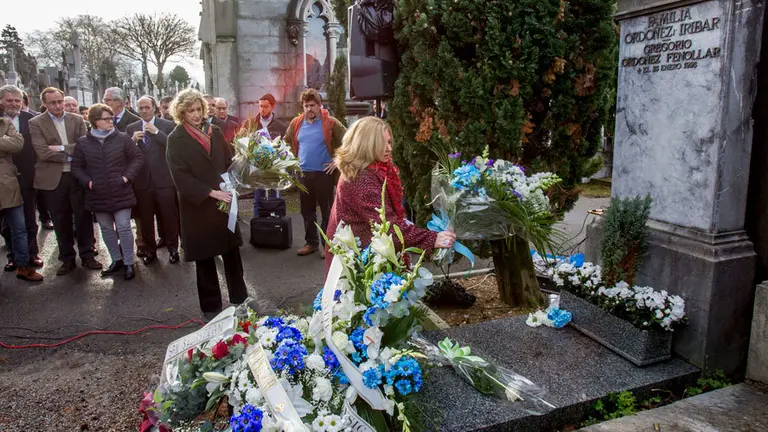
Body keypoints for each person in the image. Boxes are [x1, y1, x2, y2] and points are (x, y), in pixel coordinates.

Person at [324, 117, 455, 272]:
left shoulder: (371, 169)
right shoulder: (360, 178)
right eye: (382, 143)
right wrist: (432, 239)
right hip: (358, 265)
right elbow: (387, 228)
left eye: (389, 142)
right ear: (367, 144)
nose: (389, 148)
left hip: (366, 257)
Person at [166, 89, 248, 320]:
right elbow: (180, 176)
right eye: (190, 111)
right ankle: (211, 309)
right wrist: (210, 193)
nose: (195, 114)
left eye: (198, 109)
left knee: (231, 253)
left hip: (224, 203)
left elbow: (229, 160)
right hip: (199, 206)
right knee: (205, 259)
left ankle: (240, 299)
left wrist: (242, 174)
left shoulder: (216, 131)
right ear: (181, 113)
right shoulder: (175, 138)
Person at [29, 87, 102, 275]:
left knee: (83, 216)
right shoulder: (36, 123)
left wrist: (60, 148)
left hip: (77, 176)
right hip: (53, 179)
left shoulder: (77, 120)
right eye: (52, 102)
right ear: (44, 104)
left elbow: (84, 146)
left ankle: (88, 255)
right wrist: (69, 152)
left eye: (60, 101)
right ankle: (67, 258)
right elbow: (42, 151)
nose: (58, 106)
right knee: (60, 219)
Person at [71, 104, 144, 280]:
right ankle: (116, 260)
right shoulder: (83, 143)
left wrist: (126, 177)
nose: (110, 122)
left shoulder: (122, 138)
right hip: (97, 193)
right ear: (95, 121)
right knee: (106, 228)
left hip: (121, 190)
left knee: (124, 227)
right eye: (106, 119)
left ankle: (128, 262)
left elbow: (137, 158)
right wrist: (88, 182)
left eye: (111, 118)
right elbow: (77, 167)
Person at [284, 89, 346, 257]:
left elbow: (349, 141)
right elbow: (286, 142)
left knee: (326, 211)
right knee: (307, 210)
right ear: (302, 107)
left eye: (312, 105)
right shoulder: (296, 123)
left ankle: (328, 245)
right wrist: (289, 159)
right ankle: (311, 243)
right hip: (303, 174)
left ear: (320, 106)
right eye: (306, 106)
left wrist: (337, 161)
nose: (309, 109)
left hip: (323, 174)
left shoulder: (331, 123)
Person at [126, 96, 179, 265]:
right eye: (140, 108)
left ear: (154, 108)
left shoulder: (167, 125)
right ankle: (150, 251)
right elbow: (125, 154)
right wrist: (132, 141)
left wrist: (156, 132)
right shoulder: (131, 128)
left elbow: (173, 148)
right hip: (142, 182)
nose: (144, 111)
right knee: (146, 219)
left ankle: (173, 249)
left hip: (164, 181)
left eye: (147, 107)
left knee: (169, 217)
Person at [0, 85, 44, 270]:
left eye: (17, 100)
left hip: (27, 175)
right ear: (1, 101)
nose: (14, 104)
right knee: (6, 222)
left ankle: (32, 253)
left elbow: (29, 147)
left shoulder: (31, 119)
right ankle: (13, 255)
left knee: (28, 217)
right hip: (4, 178)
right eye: (9, 100)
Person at [242, 93, 289, 217]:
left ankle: (276, 225)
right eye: (260, 106)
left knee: (276, 200)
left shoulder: (281, 126)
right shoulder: (250, 124)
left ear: (272, 107)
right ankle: (259, 228)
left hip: (274, 171)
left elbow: (286, 148)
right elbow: (242, 143)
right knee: (258, 200)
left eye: (265, 106)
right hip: (257, 171)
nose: (262, 109)